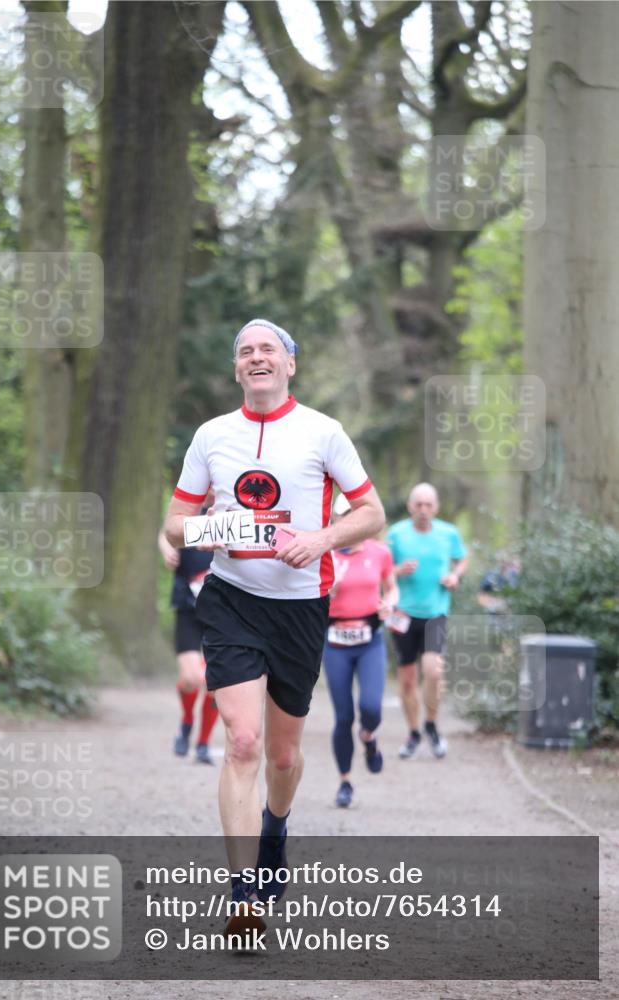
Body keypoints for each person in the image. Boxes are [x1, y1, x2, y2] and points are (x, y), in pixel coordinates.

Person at [163, 318, 385, 936]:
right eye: (245, 352)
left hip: (300, 608)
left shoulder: (323, 432)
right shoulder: (211, 436)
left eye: (268, 349)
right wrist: (221, 528)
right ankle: (243, 891)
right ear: (237, 370)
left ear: (290, 364)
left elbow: (371, 512)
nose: (256, 358)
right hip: (232, 600)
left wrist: (320, 539)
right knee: (241, 741)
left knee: (283, 755)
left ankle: (276, 829)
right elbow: (177, 524)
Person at [323, 493, 398, 808]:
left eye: (355, 515)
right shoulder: (324, 555)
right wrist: (327, 592)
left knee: (371, 708)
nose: (351, 521)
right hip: (335, 642)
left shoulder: (379, 553)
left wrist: (389, 604)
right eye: (344, 516)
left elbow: (392, 587)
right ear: (335, 521)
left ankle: (368, 737)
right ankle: (345, 782)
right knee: (343, 716)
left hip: (369, 640)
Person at [386, 483, 468, 760]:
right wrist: (397, 570)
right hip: (404, 615)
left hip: (436, 613)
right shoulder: (396, 534)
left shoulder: (448, 533)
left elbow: (462, 559)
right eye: (418, 504)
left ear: (436, 507)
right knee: (407, 681)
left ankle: (431, 724)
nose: (423, 510)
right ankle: (413, 733)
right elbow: (383, 571)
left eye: (428, 505)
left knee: (433, 672)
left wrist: (456, 575)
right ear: (410, 506)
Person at [157, 528, 218, 764]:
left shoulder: (235, 506)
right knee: (192, 678)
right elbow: (165, 532)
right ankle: (187, 721)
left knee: (215, 685)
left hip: (222, 612)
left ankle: (203, 743)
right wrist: (168, 550)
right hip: (187, 608)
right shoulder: (192, 509)